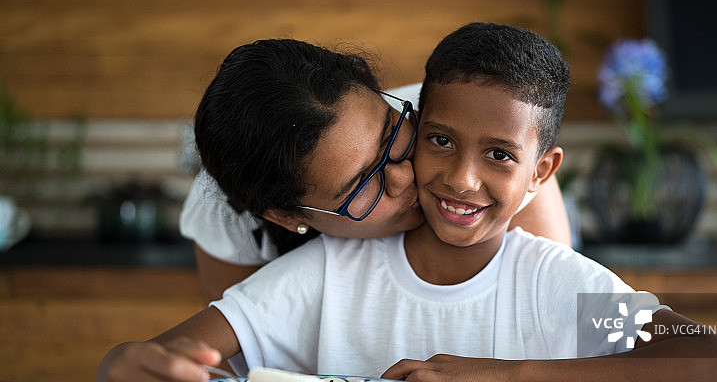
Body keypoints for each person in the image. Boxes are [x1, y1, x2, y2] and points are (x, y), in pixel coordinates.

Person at [96, 24, 717, 382]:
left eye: (400, 140)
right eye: (362, 187)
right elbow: (196, 362)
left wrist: (512, 373)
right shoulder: (315, 273)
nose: (427, 176)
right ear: (290, 219)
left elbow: (566, 322)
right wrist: (123, 369)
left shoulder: (463, 137)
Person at [180, 90, 572, 302]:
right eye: (361, 186)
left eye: (393, 136)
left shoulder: (479, 134)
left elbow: (601, 337)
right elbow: (245, 370)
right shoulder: (226, 216)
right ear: (286, 216)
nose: (404, 175)